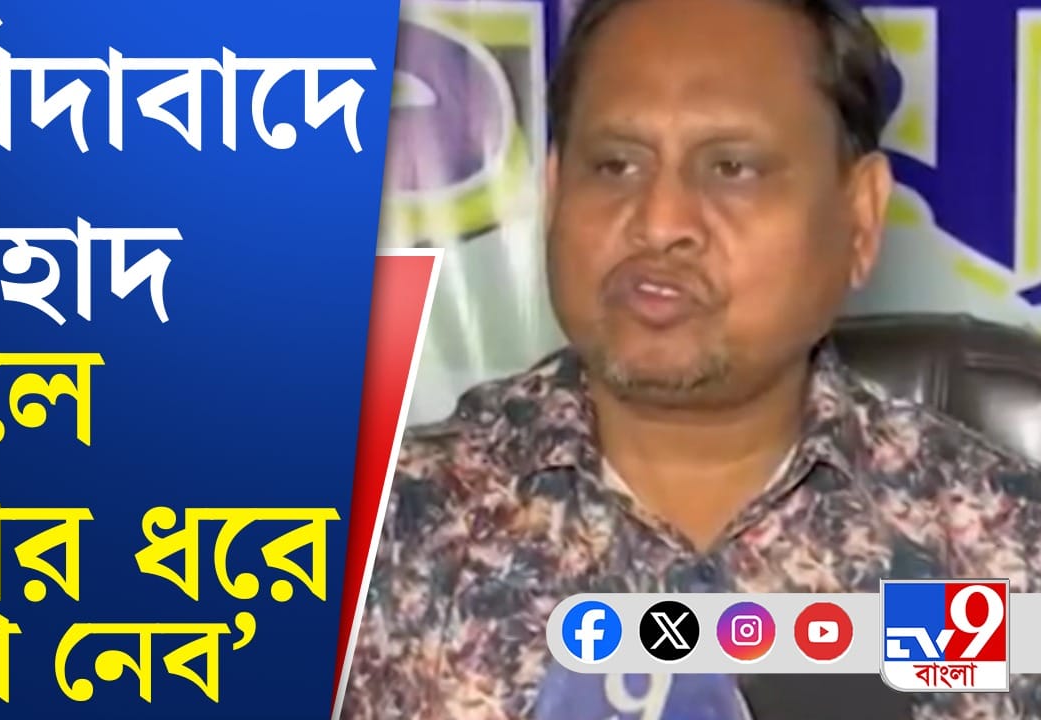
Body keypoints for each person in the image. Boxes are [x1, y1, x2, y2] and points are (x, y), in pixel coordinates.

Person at [340, 0, 1041, 718]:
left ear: (859, 218)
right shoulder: (371, 540)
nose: (659, 222)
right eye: (614, 165)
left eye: (732, 167)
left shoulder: (1003, 554)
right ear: (554, 193)